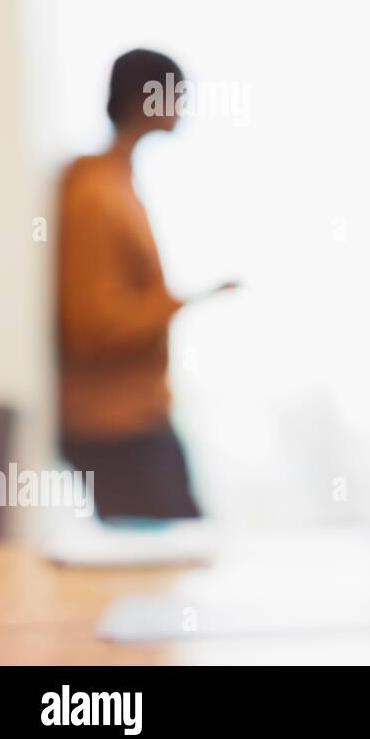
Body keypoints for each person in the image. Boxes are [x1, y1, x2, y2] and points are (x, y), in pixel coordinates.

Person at [56, 49, 237, 519]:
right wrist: (181, 302)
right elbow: (93, 324)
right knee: (169, 557)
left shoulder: (119, 182)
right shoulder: (96, 193)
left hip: (136, 415)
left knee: (182, 548)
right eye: (175, 93)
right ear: (145, 99)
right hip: (112, 424)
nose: (184, 105)